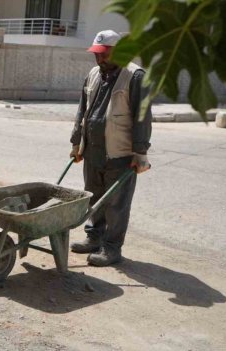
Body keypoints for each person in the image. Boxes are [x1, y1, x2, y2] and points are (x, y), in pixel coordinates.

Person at [69, 29, 152, 266]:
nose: (100, 58)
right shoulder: (94, 74)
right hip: (93, 149)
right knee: (94, 197)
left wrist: (140, 153)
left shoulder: (135, 76)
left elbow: (142, 117)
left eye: (105, 54)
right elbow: (82, 111)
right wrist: (76, 143)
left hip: (120, 153)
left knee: (117, 204)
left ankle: (112, 248)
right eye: (97, 54)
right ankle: (94, 238)